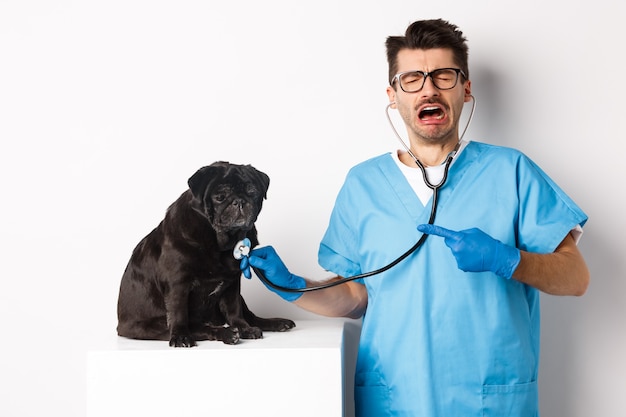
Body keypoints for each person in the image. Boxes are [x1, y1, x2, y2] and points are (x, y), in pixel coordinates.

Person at [242, 19, 589, 417]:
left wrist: (506, 260)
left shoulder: (512, 172)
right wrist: (293, 287)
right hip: (396, 401)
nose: (429, 88)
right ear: (393, 95)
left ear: (466, 88)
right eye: (412, 79)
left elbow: (576, 278)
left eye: (443, 76)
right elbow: (357, 297)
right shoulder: (364, 184)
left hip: (490, 402)